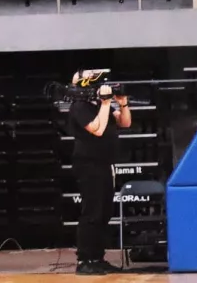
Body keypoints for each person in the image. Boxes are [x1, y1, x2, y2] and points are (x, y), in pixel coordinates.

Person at [68, 70, 130, 276]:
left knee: (104, 212)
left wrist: (122, 103)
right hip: (88, 164)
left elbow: (125, 123)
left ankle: (97, 258)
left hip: (104, 163)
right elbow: (97, 129)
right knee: (92, 212)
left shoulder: (100, 106)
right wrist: (105, 103)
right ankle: (84, 260)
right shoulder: (79, 107)